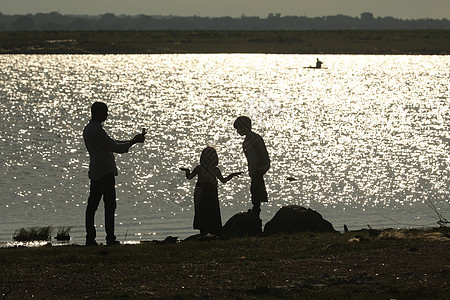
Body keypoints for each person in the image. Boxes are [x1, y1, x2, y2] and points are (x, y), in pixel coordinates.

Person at [83, 101, 145, 246]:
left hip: (96, 171)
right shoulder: (96, 130)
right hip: (104, 172)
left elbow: (111, 143)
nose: (107, 115)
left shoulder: (89, 129)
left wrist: (132, 140)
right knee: (109, 205)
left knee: (93, 205)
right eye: (105, 112)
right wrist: (133, 142)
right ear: (97, 113)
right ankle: (109, 238)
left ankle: (90, 237)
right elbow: (115, 147)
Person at [180, 147, 242, 235]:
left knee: (202, 210)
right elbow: (223, 180)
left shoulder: (199, 168)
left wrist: (187, 171)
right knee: (212, 209)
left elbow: (189, 177)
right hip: (211, 191)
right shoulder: (215, 170)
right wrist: (232, 175)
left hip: (201, 192)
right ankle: (213, 230)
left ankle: (203, 231)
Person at [233, 116, 270, 218]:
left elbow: (253, 157)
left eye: (238, 128)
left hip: (258, 167)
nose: (237, 131)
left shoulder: (250, 141)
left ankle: (256, 208)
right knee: (256, 186)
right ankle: (256, 207)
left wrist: (252, 170)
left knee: (255, 188)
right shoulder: (254, 138)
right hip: (261, 166)